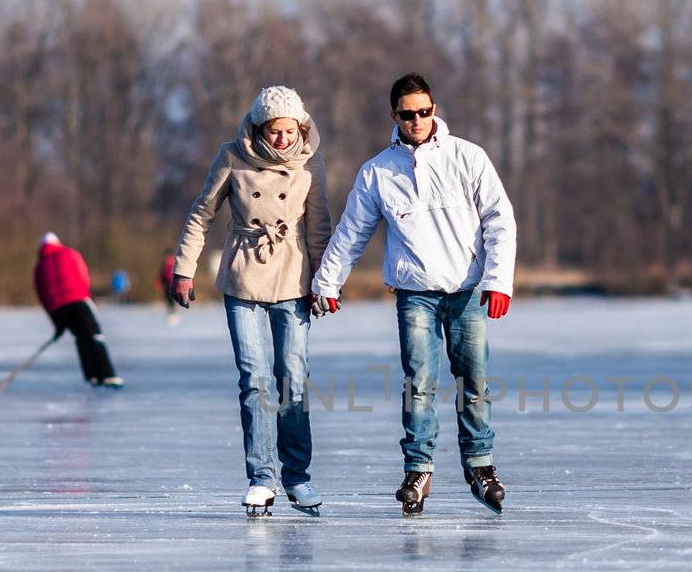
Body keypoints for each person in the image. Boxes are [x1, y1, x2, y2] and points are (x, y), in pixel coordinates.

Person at [312, 72, 516, 515]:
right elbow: (351, 232)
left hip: (466, 289)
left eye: (424, 112)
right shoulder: (379, 171)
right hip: (414, 293)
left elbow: (500, 219)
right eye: (408, 115)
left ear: (434, 110)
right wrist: (327, 282)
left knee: (473, 381)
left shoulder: (467, 157)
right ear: (394, 117)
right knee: (419, 383)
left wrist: (499, 280)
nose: (417, 120)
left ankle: (480, 465)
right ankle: (418, 468)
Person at [170, 85, 332, 518]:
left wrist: (325, 282)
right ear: (259, 127)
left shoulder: (310, 160)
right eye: (274, 131)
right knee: (254, 380)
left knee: (293, 378)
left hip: (294, 280)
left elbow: (319, 228)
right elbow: (201, 214)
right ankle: (262, 478)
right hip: (244, 278)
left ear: (301, 127)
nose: (282, 139)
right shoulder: (232, 156)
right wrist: (184, 270)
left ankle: (297, 476)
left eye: (289, 130)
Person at [32, 233, 122, 387]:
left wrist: (57, 322)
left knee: (80, 339)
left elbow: (42, 294)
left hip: (57, 309)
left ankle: (91, 376)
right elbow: (83, 275)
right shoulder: (69, 253)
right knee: (94, 336)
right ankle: (107, 375)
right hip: (77, 301)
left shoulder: (39, 266)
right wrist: (86, 295)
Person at [159, 250, 178, 315]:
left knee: (171, 297)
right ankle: (170, 309)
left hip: (173, 283)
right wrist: (159, 282)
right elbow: (162, 274)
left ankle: (172, 310)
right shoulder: (164, 265)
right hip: (167, 284)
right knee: (167, 297)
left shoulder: (174, 263)